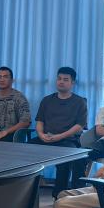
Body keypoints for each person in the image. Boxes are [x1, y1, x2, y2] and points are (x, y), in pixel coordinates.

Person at [30, 67, 88, 198]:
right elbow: (39, 121)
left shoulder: (79, 102)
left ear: (72, 83)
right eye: (59, 79)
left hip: (67, 140)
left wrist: (59, 136)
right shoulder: (47, 100)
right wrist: (41, 135)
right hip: (46, 138)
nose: (61, 82)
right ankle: (27, 190)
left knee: (66, 159)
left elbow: (79, 126)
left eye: (65, 80)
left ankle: (59, 195)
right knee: (25, 150)